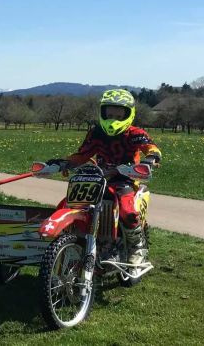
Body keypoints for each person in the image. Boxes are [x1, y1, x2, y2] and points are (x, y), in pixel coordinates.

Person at [46, 89, 161, 265]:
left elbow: (151, 148)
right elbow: (83, 154)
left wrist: (150, 159)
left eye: (118, 114)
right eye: (109, 113)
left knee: (127, 210)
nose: (113, 118)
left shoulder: (136, 133)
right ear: (102, 112)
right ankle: (73, 240)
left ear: (128, 114)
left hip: (126, 179)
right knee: (68, 203)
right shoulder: (96, 133)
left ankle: (138, 246)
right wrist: (64, 162)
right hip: (99, 177)